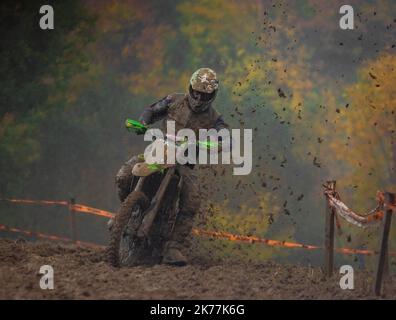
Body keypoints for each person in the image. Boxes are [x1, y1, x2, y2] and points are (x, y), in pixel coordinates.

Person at [115, 68, 228, 265]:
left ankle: (173, 247)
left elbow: (224, 135)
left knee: (192, 200)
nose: (200, 98)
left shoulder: (215, 117)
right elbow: (152, 110)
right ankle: (124, 216)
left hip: (185, 163)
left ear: (213, 96)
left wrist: (218, 142)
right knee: (124, 174)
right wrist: (143, 122)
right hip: (160, 150)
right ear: (190, 89)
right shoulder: (174, 100)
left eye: (205, 95)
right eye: (197, 93)